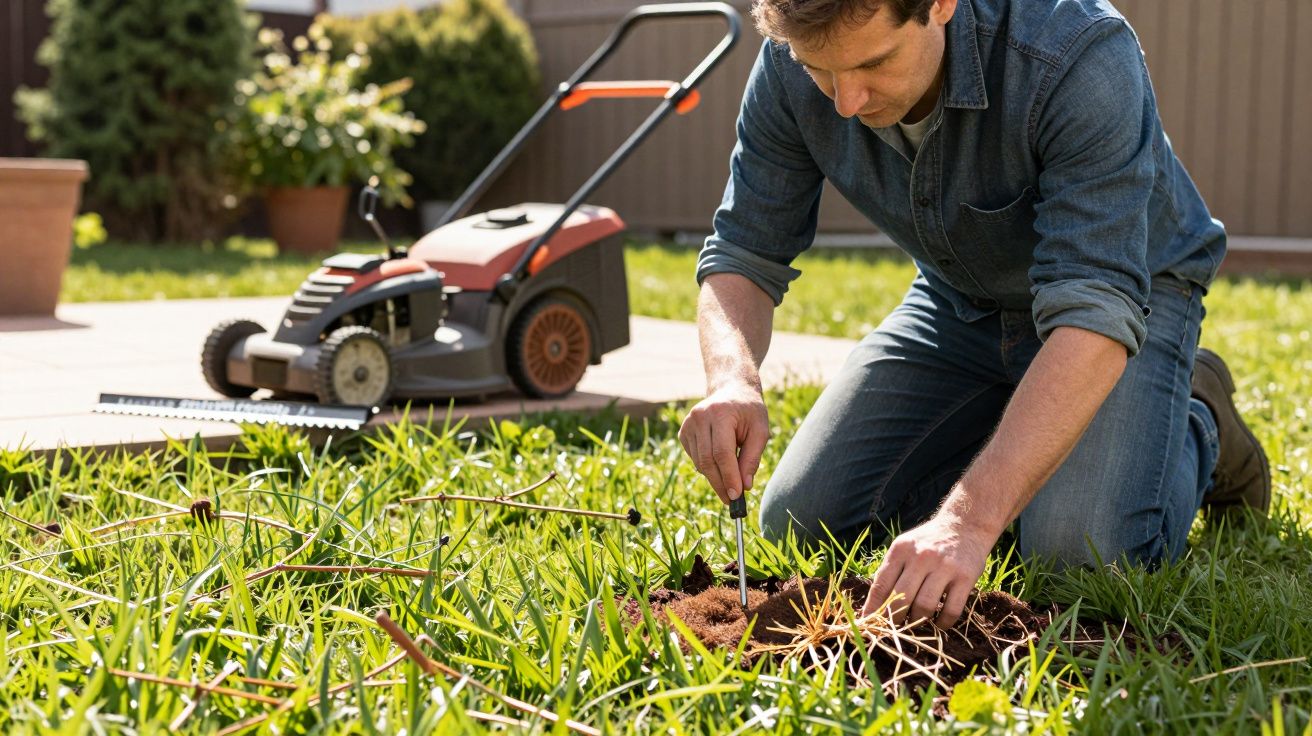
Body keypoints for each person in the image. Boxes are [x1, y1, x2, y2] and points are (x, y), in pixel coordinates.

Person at [677, 0, 1271, 629]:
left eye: (875, 62)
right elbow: (743, 249)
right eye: (822, 73)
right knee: (803, 522)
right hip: (959, 300)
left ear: (939, 5)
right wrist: (732, 379)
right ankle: (1025, 429)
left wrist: (969, 520)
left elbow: (1094, 309)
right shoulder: (791, 58)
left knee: (1077, 560)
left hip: (1127, 298)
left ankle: (1197, 417)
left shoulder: (1078, 54)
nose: (846, 102)